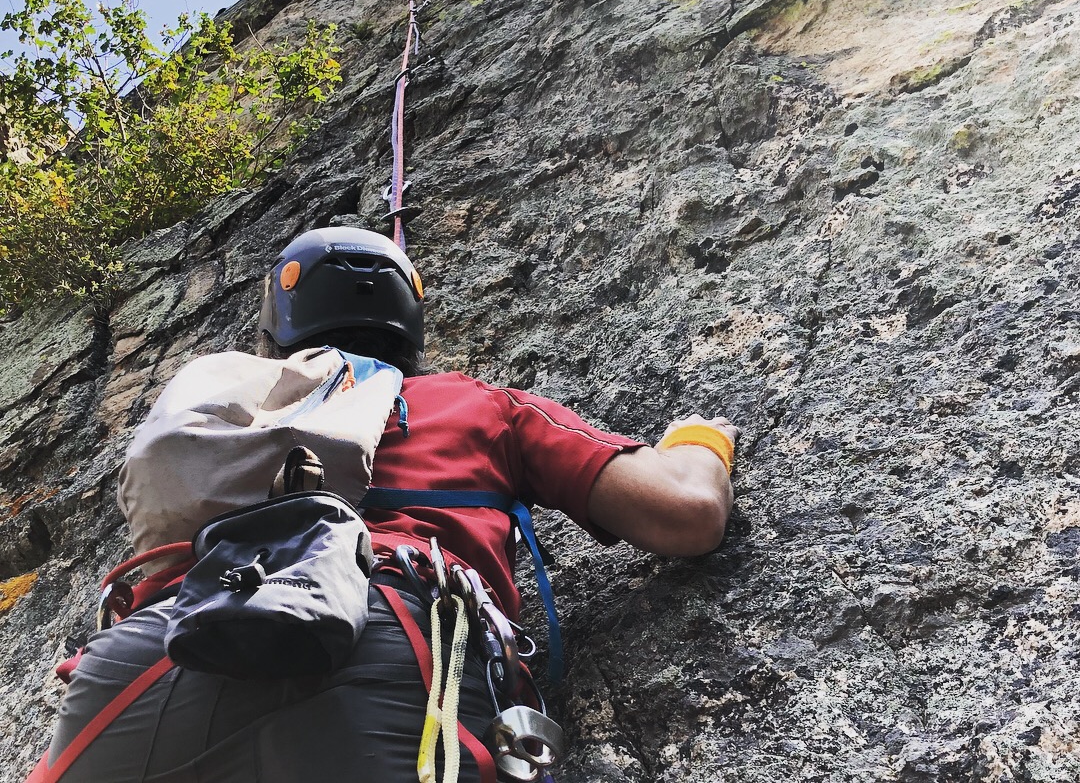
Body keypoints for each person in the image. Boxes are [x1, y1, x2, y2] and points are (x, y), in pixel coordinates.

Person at [33, 226, 735, 783]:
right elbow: (685, 511)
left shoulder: (237, 424)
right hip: (378, 643)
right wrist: (703, 439)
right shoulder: (475, 405)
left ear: (277, 333)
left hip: (153, 655)